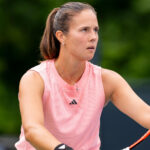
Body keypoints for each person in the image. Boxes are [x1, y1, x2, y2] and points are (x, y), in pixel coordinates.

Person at [15, 2, 150, 150]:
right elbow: (32, 130)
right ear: (61, 36)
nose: (93, 37)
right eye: (84, 30)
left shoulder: (108, 81)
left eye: (95, 30)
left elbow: (146, 115)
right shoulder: (34, 79)